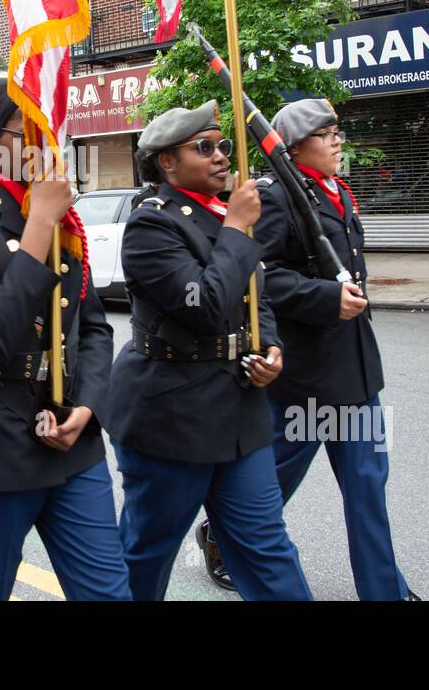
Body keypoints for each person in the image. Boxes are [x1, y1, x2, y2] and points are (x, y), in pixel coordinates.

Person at [0, 78, 131, 601]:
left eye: (50, 125)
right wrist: (39, 222)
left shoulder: (66, 220)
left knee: (108, 591)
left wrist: (87, 406)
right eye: (29, 127)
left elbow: (95, 327)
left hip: (72, 442)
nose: (46, 139)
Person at [106, 100, 310, 601]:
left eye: (222, 145)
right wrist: (239, 229)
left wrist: (272, 349)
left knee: (266, 547)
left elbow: (253, 297)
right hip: (172, 415)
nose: (221, 156)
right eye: (205, 147)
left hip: (239, 413)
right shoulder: (152, 225)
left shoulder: (227, 216)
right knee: (148, 550)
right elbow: (206, 304)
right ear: (166, 162)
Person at [253, 99, 418, 601]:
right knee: (273, 484)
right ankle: (226, 537)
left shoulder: (337, 192)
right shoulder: (276, 196)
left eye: (336, 132)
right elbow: (258, 275)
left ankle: (384, 591)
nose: (337, 141)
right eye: (325, 134)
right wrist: (324, 297)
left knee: (368, 485)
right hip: (306, 376)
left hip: (354, 370)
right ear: (296, 145)